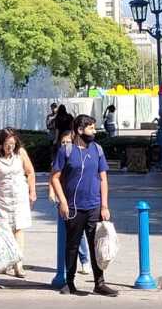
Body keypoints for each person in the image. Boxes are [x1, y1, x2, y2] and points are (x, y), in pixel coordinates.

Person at [49, 114, 118, 297]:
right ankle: (69, 282)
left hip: (94, 205)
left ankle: (99, 282)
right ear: (80, 130)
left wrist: (104, 205)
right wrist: (62, 201)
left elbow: (103, 178)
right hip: (73, 207)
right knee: (72, 245)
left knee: (96, 244)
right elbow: (55, 178)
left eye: (94, 128)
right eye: (91, 128)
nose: (94, 132)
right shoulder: (66, 151)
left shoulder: (97, 150)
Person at [0, 128, 37, 278]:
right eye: (7, 144)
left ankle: (18, 265)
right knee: (5, 230)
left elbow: (30, 172)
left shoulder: (20, 153)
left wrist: (32, 191)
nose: (10, 147)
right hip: (2, 197)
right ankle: (6, 260)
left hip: (19, 196)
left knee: (19, 229)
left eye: (13, 144)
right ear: (1, 144)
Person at [52, 130, 92, 274]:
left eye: (68, 142)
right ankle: (67, 267)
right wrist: (54, 194)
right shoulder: (60, 156)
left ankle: (84, 260)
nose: (65, 144)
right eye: (63, 142)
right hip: (63, 199)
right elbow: (53, 178)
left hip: (75, 201)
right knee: (68, 233)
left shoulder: (78, 156)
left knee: (78, 234)